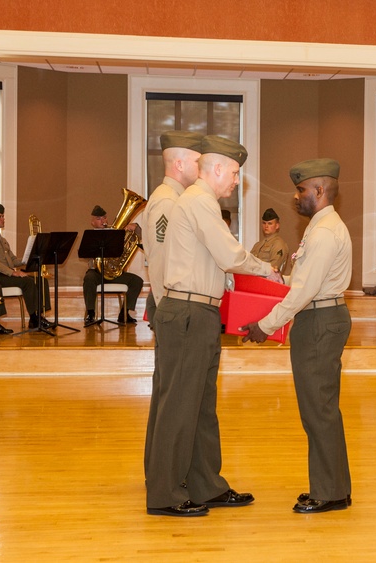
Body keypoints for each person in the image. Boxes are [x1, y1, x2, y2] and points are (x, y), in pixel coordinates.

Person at [145, 135, 279, 517]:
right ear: (217, 169)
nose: (237, 180)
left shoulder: (196, 202)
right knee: (179, 407)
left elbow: (213, 262)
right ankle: (166, 495)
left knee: (201, 406)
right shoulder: (200, 201)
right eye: (235, 172)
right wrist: (264, 269)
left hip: (197, 312)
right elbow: (229, 254)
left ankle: (206, 485)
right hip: (187, 312)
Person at [242, 158, 355, 513]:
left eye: (302, 189)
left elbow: (305, 293)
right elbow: (306, 284)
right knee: (322, 409)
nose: (296, 196)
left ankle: (329, 493)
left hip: (319, 322)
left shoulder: (322, 232)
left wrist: (265, 325)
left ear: (319, 190)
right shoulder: (324, 227)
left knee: (317, 410)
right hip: (321, 316)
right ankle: (334, 486)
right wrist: (281, 281)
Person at [142, 130, 202, 478]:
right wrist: (171, 311)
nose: (202, 167)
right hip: (172, 307)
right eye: (197, 161)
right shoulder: (167, 201)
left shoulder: (175, 197)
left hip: (171, 308)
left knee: (171, 397)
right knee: (173, 401)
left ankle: (163, 472)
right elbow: (163, 262)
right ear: (179, 163)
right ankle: (165, 478)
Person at [0, 202, 51, 330]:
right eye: (0, 216)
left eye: (3, 216)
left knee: (41, 280)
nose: (3, 219)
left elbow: (12, 260)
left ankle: (38, 315)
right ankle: (34, 318)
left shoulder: (2, 239)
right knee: (27, 281)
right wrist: (14, 273)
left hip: (7, 275)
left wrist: (27, 259)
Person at [81, 205, 144, 327]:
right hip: (96, 273)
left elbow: (141, 236)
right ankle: (91, 313)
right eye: (99, 219)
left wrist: (135, 227)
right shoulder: (89, 236)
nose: (103, 221)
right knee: (88, 279)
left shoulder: (117, 233)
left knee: (137, 281)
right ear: (92, 222)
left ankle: (124, 313)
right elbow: (83, 255)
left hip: (115, 273)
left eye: (104, 218)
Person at [250, 207, 290, 272]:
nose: (266, 226)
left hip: (268, 280)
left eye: (270, 223)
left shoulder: (278, 244)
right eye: (264, 223)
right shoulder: (258, 245)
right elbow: (249, 263)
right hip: (255, 279)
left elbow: (274, 268)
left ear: (277, 226)